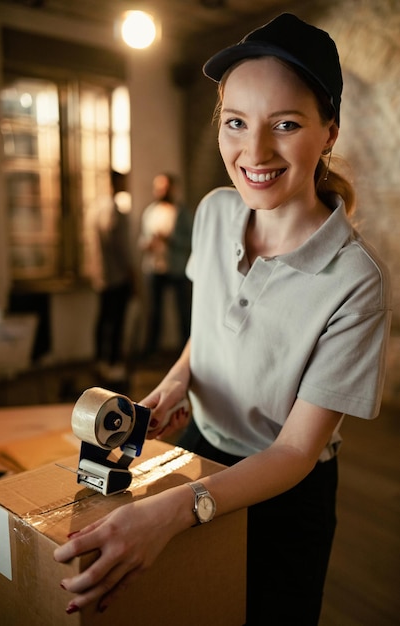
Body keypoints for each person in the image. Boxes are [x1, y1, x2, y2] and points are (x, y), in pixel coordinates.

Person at [54, 14, 392, 625]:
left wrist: (175, 510)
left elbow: (293, 450)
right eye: (236, 123)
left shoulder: (355, 280)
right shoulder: (212, 214)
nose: (254, 152)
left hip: (283, 489)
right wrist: (181, 379)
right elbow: (207, 326)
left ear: (329, 132)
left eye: (285, 125)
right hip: (195, 449)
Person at [139, 173, 192, 356]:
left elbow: (191, 240)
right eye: (158, 187)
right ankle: (151, 352)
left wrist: (170, 239)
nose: (160, 191)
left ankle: (187, 353)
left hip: (177, 268)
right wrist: (148, 244)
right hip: (154, 268)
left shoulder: (182, 213)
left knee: (184, 313)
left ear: (172, 188)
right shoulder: (150, 212)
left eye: (164, 187)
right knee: (153, 313)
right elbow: (143, 239)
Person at [91, 170, 134, 383]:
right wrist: (131, 271)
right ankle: (113, 364)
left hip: (102, 275)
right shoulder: (113, 210)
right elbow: (120, 247)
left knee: (104, 319)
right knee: (116, 321)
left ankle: (101, 361)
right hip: (116, 276)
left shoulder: (95, 209)